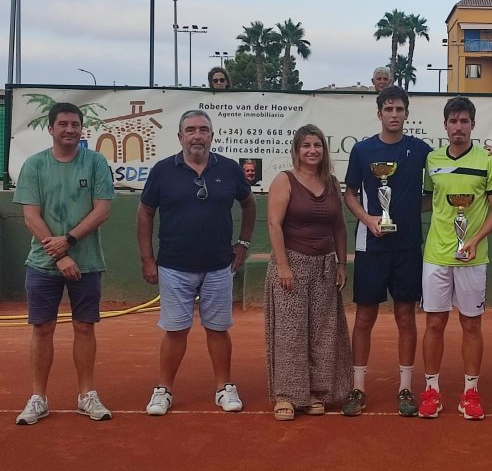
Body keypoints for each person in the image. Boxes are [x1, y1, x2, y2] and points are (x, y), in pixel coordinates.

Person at [137, 109, 256, 416]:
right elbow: (145, 212)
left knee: (218, 329)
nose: (197, 135)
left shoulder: (229, 169)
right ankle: (163, 389)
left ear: (212, 136)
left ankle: (224, 387)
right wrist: (148, 258)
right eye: (190, 130)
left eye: (203, 130)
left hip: (219, 265)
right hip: (174, 266)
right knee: (175, 331)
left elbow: (249, 203)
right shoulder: (163, 170)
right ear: (180, 137)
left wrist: (242, 243)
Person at [13, 102, 115, 425]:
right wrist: (60, 255)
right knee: (42, 328)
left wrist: (68, 241)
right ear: (51, 128)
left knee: (84, 327)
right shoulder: (34, 165)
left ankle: (87, 395)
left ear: (81, 129)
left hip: (87, 263)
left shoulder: (96, 162)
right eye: (63, 124)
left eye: (75, 124)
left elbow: (102, 211)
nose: (70, 129)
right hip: (43, 265)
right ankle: (38, 397)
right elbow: (31, 216)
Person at [341, 85, 432, 417]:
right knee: (364, 318)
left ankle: (406, 387)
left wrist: (409, 209)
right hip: (371, 247)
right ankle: (358, 387)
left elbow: (443, 186)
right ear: (379, 113)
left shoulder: (421, 150)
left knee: (406, 317)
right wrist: (368, 219)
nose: (394, 115)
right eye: (388, 109)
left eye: (399, 109)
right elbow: (349, 193)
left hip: (408, 247)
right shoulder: (363, 151)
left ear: (407, 113)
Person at [418, 96, 492, 420]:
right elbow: (428, 201)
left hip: (473, 257)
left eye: (464, 121)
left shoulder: (488, 162)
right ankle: (431, 390)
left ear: (472, 124)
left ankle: (470, 393)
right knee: (434, 323)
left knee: (471, 325)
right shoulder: (431, 160)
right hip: (436, 256)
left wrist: (475, 239)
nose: (458, 127)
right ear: (445, 125)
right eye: (453, 121)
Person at [265, 125, 352, 421]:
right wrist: (283, 265)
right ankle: (287, 396)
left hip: (325, 266)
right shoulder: (284, 180)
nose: (312, 150)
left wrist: (341, 263)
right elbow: (274, 224)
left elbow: (339, 226)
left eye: (317, 145)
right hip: (292, 263)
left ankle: (316, 393)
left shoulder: (331, 182)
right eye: (306, 145)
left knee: (322, 333)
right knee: (291, 332)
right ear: (297, 150)